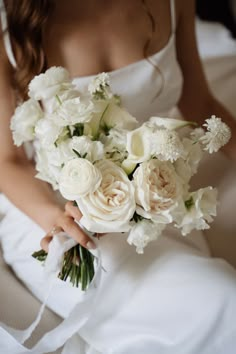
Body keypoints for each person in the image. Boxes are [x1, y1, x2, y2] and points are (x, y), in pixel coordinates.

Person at [0, 0, 236, 353]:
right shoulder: (10, 24)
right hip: (55, 215)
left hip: (153, 202)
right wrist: (56, 218)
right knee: (222, 301)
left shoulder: (175, 4)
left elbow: (199, 104)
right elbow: (8, 161)